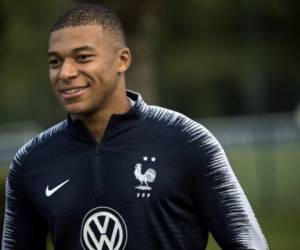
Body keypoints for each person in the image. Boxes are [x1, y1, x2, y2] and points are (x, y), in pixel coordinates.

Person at [1, 4, 268, 250]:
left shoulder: (189, 141)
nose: (65, 73)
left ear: (123, 60)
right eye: (55, 62)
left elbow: (249, 243)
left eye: (82, 57)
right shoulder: (30, 162)